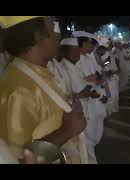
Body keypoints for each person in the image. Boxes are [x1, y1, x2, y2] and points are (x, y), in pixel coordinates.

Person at [0, 16, 86, 163]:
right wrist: (67, 130)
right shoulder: (20, 88)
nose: (59, 43)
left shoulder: (38, 73)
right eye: (53, 33)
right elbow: (16, 159)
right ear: (38, 37)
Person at [72, 31, 107, 164]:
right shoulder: (75, 59)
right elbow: (75, 82)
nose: (92, 47)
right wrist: (89, 79)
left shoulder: (89, 58)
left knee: (96, 133)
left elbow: (96, 77)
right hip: (85, 102)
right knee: (88, 137)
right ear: (84, 43)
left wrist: (101, 89)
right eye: (90, 43)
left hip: (97, 99)